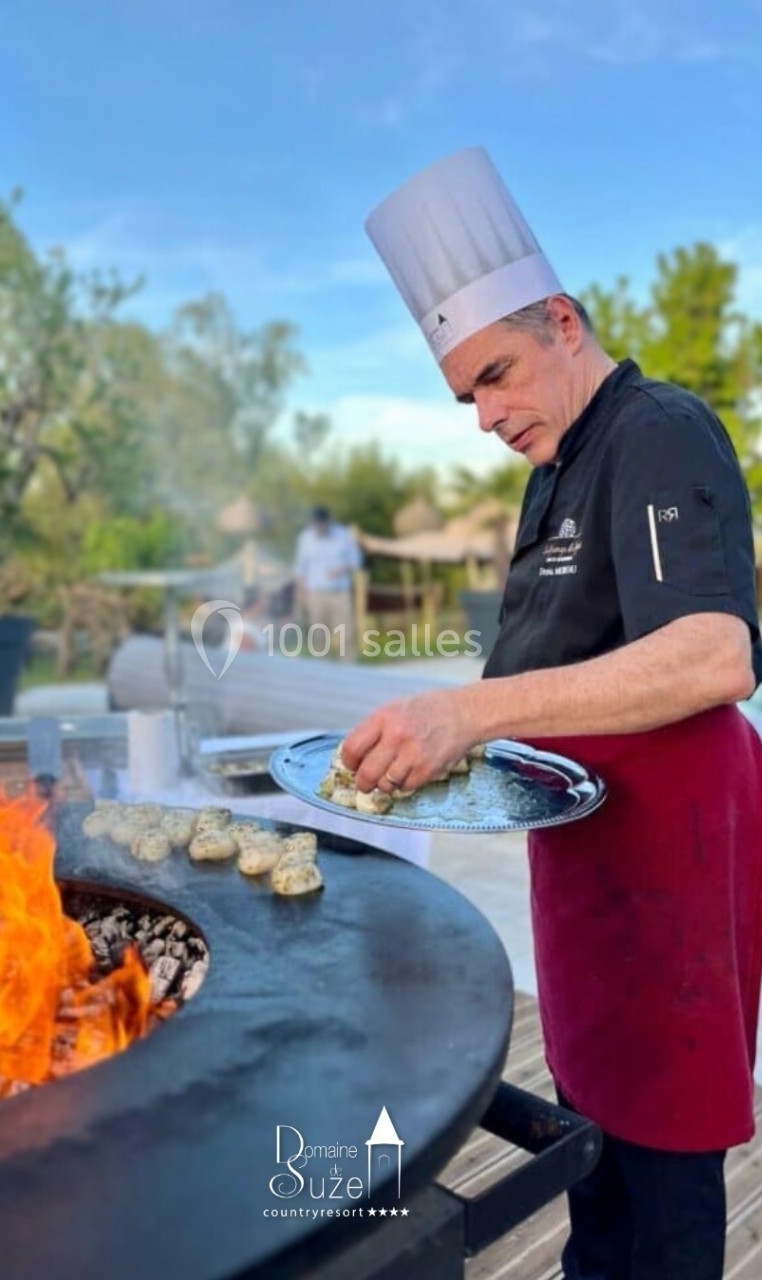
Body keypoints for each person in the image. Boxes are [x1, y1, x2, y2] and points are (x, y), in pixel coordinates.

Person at [345, 147, 762, 1280]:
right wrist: (440, 741)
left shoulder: (660, 428)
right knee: (594, 1161)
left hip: (671, 865)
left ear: (564, 322)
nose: (485, 415)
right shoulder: (553, 468)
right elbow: (546, 660)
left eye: (496, 374)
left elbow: (714, 652)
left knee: (665, 1178)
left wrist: (471, 710)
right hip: (586, 866)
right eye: (467, 396)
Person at [293, 505, 362, 660]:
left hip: (340, 593)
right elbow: (300, 569)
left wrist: (342, 569)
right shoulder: (305, 538)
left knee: (346, 634)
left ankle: (349, 667)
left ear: (329, 521)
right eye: (315, 523)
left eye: (321, 523)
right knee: (319, 636)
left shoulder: (344, 535)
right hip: (316, 594)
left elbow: (356, 561)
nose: (318, 527)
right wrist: (302, 593)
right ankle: (322, 669)